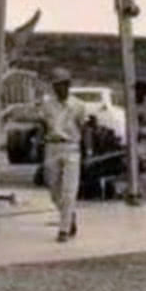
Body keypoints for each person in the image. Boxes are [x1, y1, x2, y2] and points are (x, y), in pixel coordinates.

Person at [39, 67, 87, 242]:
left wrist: (87, 151)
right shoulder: (47, 104)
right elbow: (43, 125)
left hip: (71, 147)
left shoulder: (78, 106)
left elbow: (84, 127)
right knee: (53, 190)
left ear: (68, 85)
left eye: (62, 84)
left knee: (69, 190)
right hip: (52, 147)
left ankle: (64, 229)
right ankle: (69, 214)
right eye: (56, 85)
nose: (59, 88)